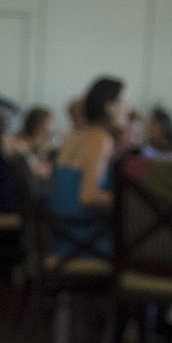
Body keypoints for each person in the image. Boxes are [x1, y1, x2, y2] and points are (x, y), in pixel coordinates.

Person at [47, 76, 128, 255]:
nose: (127, 108)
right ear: (109, 107)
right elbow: (88, 196)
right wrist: (128, 202)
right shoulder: (100, 138)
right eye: (123, 102)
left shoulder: (74, 135)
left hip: (59, 234)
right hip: (82, 239)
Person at [12, 106, 54, 184]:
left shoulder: (36, 147)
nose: (51, 128)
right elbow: (42, 172)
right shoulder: (21, 145)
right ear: (38, 126)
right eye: (48, 123)